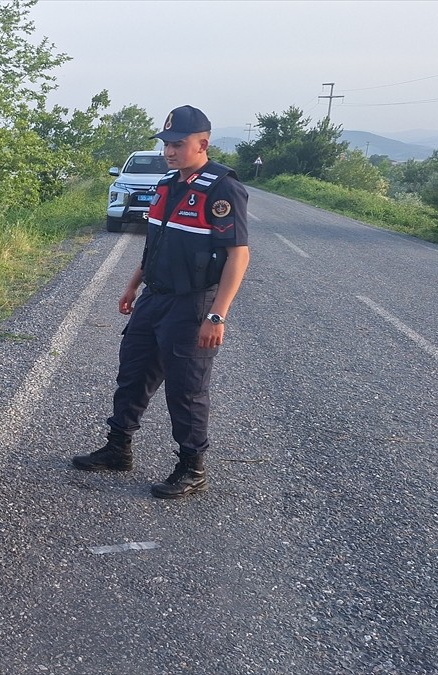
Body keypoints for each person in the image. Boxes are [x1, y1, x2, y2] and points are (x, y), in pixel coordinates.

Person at [71, 105, 249, 499]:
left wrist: (217, 315)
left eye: (178, 144)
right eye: (166, 143)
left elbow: (238, 255)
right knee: (132, 374)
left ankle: (192, 468)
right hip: (154, 298)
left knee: (186, 389)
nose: (170, 151)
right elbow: (156, 243)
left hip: (193, 304)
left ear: (203, 143)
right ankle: (118, 448)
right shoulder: (167, 185)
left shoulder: (223, 188)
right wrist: (133, 285)